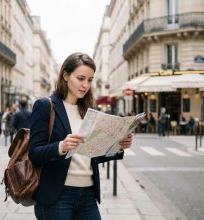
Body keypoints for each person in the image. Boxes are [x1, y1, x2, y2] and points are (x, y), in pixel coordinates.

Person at [29, 52, 133, 219]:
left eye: (90, 80)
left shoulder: (89, 111)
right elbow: (34, 153)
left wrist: (118, 146)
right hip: (57, 196)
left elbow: (93, 155)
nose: (86, 85)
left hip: (88, 195)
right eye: (81, 78)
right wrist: (61, 146)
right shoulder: (45, 106)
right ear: (65, 75)